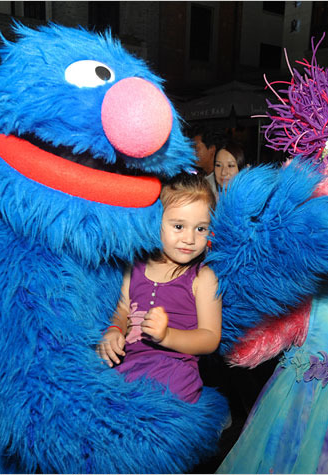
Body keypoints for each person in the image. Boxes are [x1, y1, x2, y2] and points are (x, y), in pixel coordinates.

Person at [97, 173, 222, 403]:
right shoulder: (135, 265)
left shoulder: (203, 277)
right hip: (130, 364)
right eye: (178, 226)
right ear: (156, 222)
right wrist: (114, 329)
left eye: (201, 229)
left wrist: (166, 336)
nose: (190, 238)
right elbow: (123, 308)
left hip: (174, 370)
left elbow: (210, 338)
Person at [189, 125, 219, 195]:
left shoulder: (221, 180)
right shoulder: (203, 178)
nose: (193, 152)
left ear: (212, 149)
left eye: (196, 148)